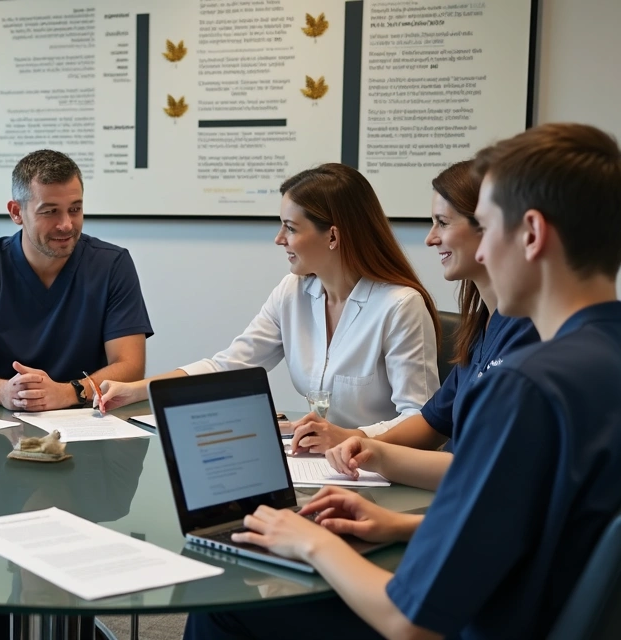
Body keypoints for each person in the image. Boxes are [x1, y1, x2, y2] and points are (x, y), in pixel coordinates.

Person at [186, 122, 621, 639]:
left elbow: (409, 622)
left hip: (472, 623)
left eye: (487, 227)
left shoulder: (526, 388)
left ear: (530, 233)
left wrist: (308, 541)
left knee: (227, 602)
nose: (480, 253)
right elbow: (538, 524)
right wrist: (397, 522)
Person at [100, 163, 440, 451]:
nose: (279, 239)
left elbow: (421, 420)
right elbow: (229, 366)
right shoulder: (293, 291)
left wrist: (352, 437)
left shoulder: (400, 306)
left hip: (379, 472)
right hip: (317, 465)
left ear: (333, 237)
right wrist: (135, 390)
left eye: (290, 228)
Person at [323, 161, 539, 491]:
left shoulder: (532, 332)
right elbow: (432, 422)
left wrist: (377, 454)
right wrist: (358, 440)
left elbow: (491, 468)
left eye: (442, 222)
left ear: (490, 226)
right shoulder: (485, 324)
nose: (430, 238)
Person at [0, 149, 153, 412]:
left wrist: (69, 392)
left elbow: (130, 365)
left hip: (88, 419)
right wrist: (3, 392)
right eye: (50, 211)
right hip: (3, 419)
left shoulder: (112, 265)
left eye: (75, 209)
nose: (66, 224)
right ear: (16, 212)